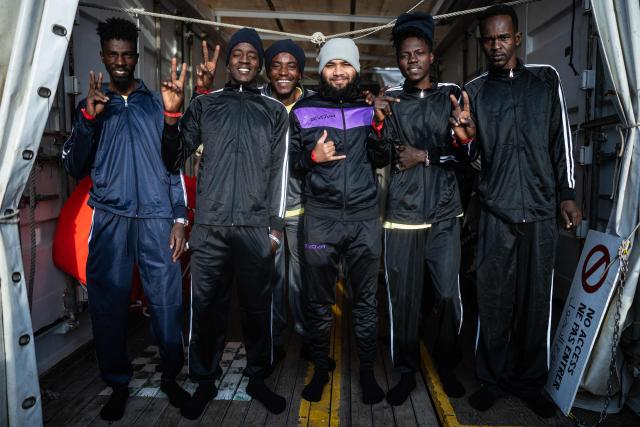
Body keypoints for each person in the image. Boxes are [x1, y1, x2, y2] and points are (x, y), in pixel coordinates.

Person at [451, 4, 582, 417]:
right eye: (488, 39)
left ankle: (529, 381)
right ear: (481, 41)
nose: (495, 45)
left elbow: (561, 140)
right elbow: (471, 163)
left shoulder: (545, 81)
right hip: (495, 211)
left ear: (517, 37)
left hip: (542, 210)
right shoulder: (474, 90)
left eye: (502, 37)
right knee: (492, 300)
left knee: (535, 301)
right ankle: (491, 379)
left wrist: (567, 193)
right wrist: (467, 140)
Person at [61, 17, 188, 421]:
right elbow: (75, 167)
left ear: (136, 56)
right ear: (103, 56)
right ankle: (118, 384)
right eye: (112, 54)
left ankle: (170, 378)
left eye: (127, 54)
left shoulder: (157, 103)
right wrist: (88, 120)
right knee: (108, 306)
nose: (120, 61)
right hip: (111, 219)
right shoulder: (91, 107)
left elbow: (175, 165)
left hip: (156, 217)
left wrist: (180, 217)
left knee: (167, 304)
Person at [161, 28, 289, 419]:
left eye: (253, 54)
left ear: (260, 62)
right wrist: (172, 113)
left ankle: (257, 377)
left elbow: (280, 174)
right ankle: (204, 380)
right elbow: (173, 158)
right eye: (239, 54)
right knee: (206, 308)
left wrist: (275, 231)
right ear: (229, 62)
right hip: (212, 227)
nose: (245, 59)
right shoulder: (206, 105)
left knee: (257, 307)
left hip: (254, 228)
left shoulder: (274, 111)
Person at [369, 11, 467, 405]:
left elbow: (468, 158)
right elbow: (377, 158)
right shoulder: (390, 103)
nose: (412, 59)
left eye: (420, 52)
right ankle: (406, 370)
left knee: (446, 295)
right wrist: (376, 125)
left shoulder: (452, 98)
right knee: (403, 300)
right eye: (405, 54)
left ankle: (446, 365)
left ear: (431, 56)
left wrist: (427, 154)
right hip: (402, 218)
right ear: (399, 59)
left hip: (444, 214)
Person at [290, 38, 385, 404]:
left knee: (365, 302)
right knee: (318, 302)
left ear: (356, 69)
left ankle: (366, 373)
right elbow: (294, 163)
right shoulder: (304, 108)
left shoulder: (367, 107)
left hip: (363, 218)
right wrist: (312, 157)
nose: (339, 71)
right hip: (321, 219)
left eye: (346, 64)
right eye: (332, 65)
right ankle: (320, 368)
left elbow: (380, 157)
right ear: (322, 69)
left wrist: (378, 127)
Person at [260, 39, 321, 365]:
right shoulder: (258, 102)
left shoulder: (314, 104)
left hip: (304, 214)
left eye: (291, 66)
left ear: (301, 71)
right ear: (267, 70)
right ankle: (274, 343)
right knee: (272, 283)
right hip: (268, 215)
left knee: (304, 284)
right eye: (276, 66)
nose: (283, 72)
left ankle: (309, 339)